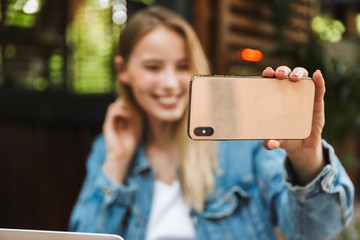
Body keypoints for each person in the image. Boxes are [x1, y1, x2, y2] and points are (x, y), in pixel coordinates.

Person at [69, 6, 354, 240]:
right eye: (153, 67)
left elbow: (315, 231)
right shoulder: (107, 150)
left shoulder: (244, 146)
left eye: (183, 67)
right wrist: (117, 161)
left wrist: (306, 159)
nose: (169, 83)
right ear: (123, 70)